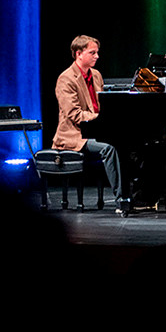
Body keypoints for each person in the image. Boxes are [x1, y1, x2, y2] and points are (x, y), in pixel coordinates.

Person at [52, 34, 125, 212]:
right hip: (74, 135)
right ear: (79, 54)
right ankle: (121, 199)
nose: (97, 56)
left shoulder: (96, 75)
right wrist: (99, 117)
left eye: (97, 52)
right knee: (108, 148)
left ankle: (142, 195)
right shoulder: (66, 79)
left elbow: (101, 103)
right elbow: (74, 114)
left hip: (95, 129)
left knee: (127, 143)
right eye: (92, 52)